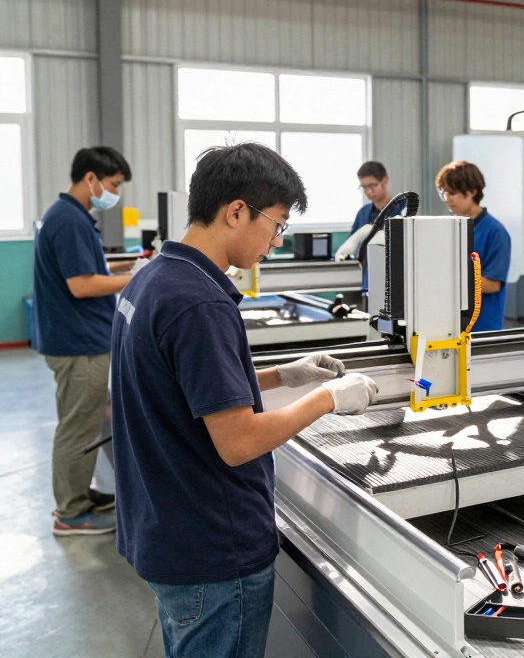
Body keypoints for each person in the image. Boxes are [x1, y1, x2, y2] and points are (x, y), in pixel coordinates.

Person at [110, 143, 379, 658]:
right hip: (211, 550)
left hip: (164, 529)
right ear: (236, 211)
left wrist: (283, 376)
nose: (277, 242)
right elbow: (237, 442)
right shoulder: (200, 303)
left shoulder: (154, 277)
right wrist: (327, 398)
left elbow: (182, 383)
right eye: (277, 225)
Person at [33, 146, 137, 536]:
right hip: (78, 342)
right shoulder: (70, 221)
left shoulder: (69, 216)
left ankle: (78, 495)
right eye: (113, 184)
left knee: (85, 421)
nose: (115, 194)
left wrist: (128, 264)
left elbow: (88, 268)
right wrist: (137, 279)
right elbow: (81, 284)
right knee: (78, 427)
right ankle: (71, 513)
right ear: (90, 178)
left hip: (77, 338)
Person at [436, 160, 511, 332]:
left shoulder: (495, 232)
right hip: (451, 326)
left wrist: (448, 281)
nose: (447, 199)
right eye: (444, 193)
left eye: (453, 193)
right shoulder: (450, 227)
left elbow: (492, 284)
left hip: (482, 327)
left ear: (472, 191)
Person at [335, 161, 404, 296]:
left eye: (372, 186)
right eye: (364, 187)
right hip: (368, 284)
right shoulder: (363, 214)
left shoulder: (403, 209)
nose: (368, 192)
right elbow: (354, 248)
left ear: (384, 181)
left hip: (397, 282)